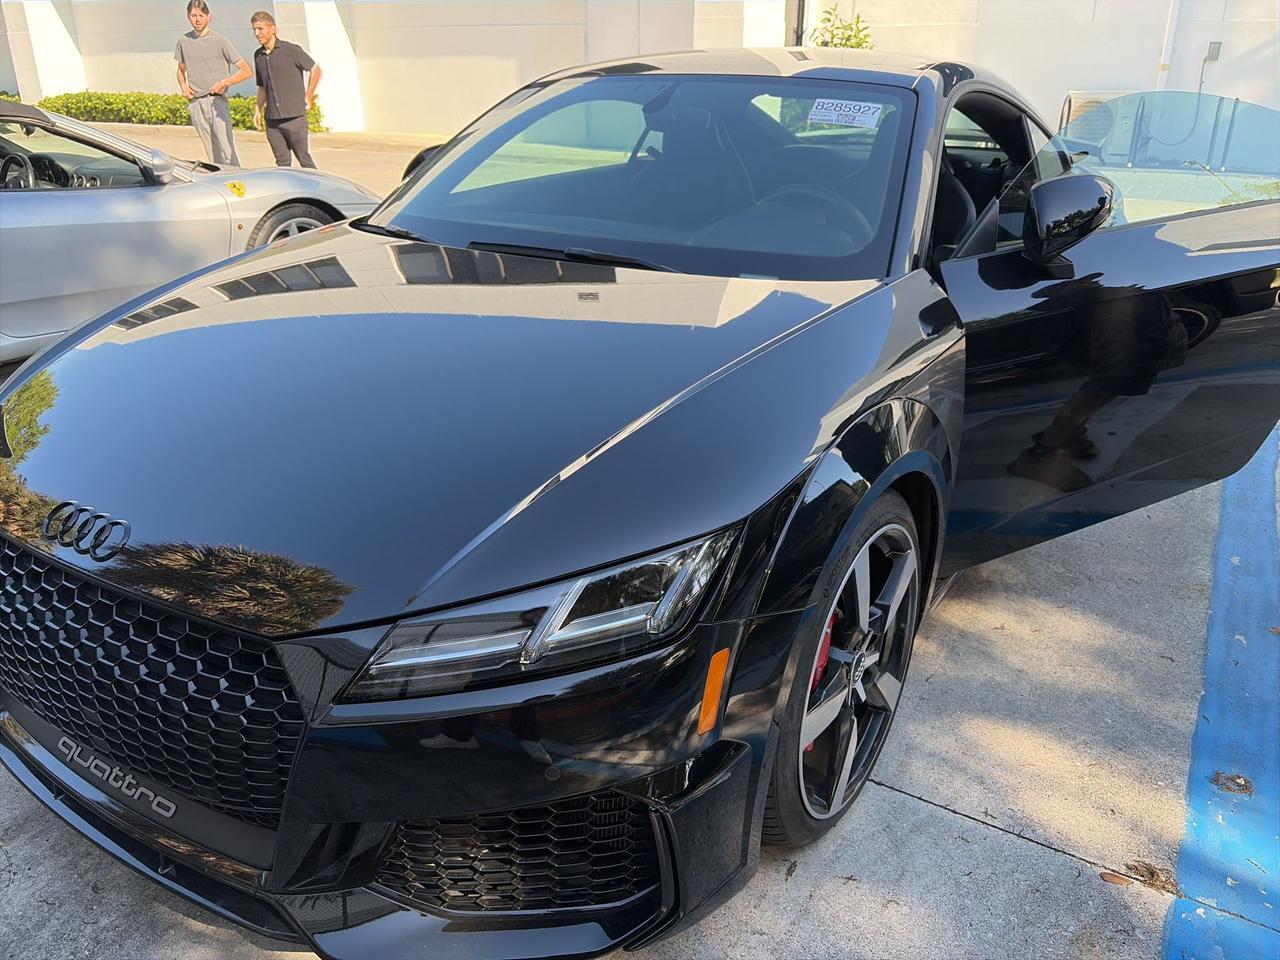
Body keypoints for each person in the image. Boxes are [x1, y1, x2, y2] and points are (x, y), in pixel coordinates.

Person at [174, 0, 252, 166]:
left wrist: (224, 82)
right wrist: (184, 87)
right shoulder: (183, 41)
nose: (197, 19)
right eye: (193, 15)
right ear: (188, 17)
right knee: (211, 152)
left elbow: (246, 70)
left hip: (217, 102)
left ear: (209, 17)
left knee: (227, 150)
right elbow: (180, 70)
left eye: (201, 15)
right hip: (196, 103)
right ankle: (220, 185)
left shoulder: (220, 41)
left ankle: (237, 182)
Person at [251, 11, 322, 169]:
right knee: (282, 165)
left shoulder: (291, 50)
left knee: (304, 160)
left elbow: (315, 69)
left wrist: (309, 95)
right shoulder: (258, 56)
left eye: (260, 29)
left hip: (294, 119)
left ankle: (317, 190)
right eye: (254, 29)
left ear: (273, 29)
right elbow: (262, 86)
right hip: (272, 122)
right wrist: (258, 109)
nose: (257, 33)